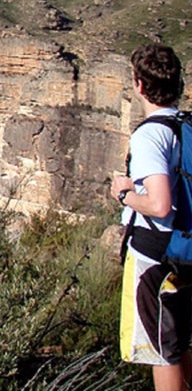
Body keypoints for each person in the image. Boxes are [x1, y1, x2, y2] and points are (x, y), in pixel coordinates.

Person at [111, 43, 192, 391]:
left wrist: (124, 193)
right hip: (185, 250)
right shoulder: (185, 125)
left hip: (157, 259)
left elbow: (160, 205)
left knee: (162, 351)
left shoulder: (150, 134)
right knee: (180, 340)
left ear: (139, 86)